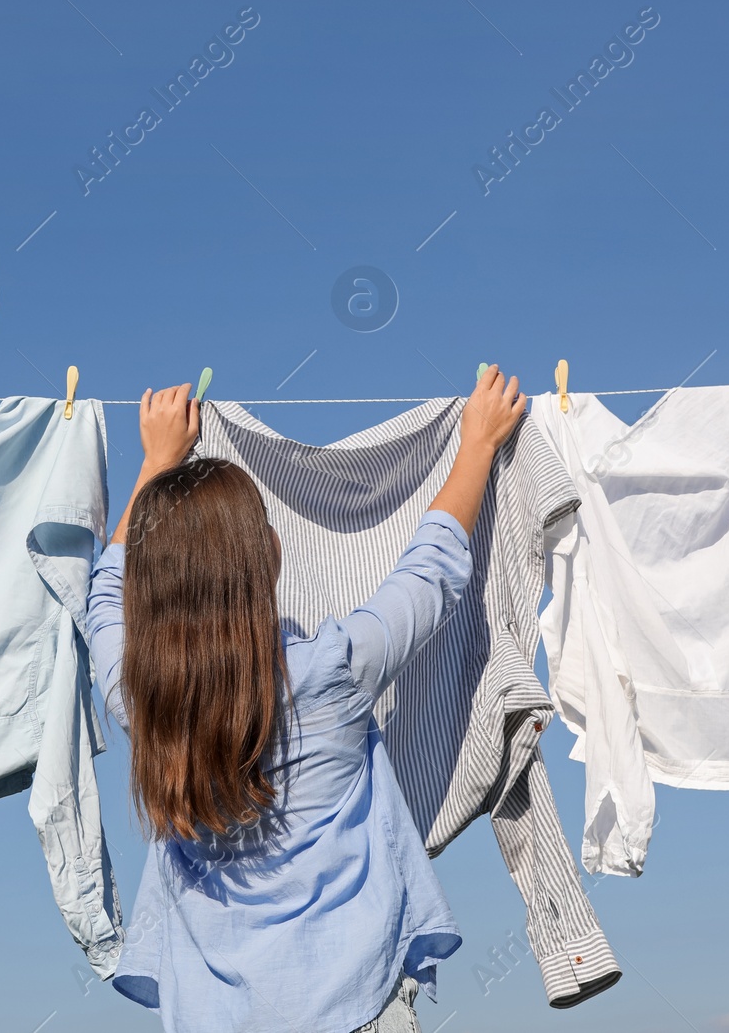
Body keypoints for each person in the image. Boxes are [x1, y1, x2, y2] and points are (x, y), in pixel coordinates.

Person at [87, 365, 529, 1033]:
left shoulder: (142, 701)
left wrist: (156, 459)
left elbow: (104, 597)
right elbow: (430, 574)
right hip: (355, 1009)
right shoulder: (329, 673)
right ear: (268, 552)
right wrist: (477, 445)